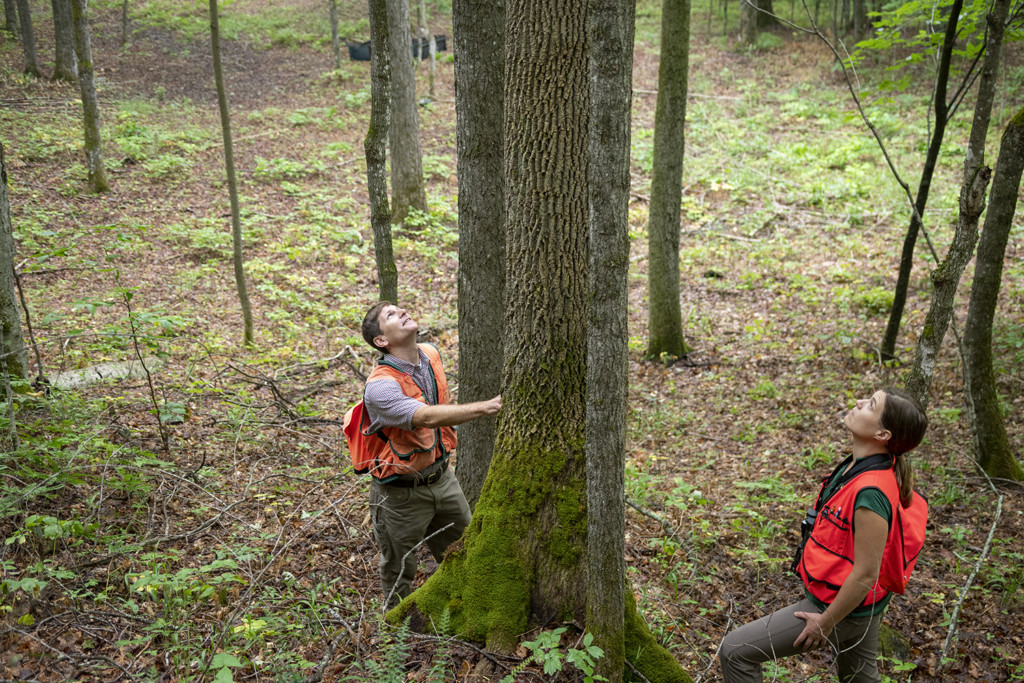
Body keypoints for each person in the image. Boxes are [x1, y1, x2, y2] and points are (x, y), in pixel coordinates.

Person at [719, 387, 928, 682]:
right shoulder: (860, 464)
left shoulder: (872, 493)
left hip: (837, 608)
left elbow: (866, 574)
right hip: (864, 606)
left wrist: (826, 622)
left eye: (870, 405)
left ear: (882, 435)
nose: (858, 402)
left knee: (735, 650)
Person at [356, 301, 501, 607]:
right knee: (399, 570)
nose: (403, 312)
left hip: (443, 479)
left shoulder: (430, 353)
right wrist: (487, 407)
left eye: (399, 309)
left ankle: (465, 611)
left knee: (464, 550)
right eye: (391, 316)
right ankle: (398, 636)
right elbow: (424, 417)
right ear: (381, 341)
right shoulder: (380, 388)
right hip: (400, 496)